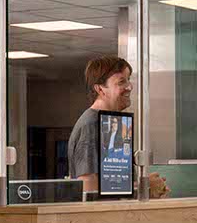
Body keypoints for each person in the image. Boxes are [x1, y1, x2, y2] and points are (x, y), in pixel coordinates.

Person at [66, 57, 168, 199]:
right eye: (121, 82)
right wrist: (145, 188)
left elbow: (113, 184)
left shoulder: (112, 121)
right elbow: (88, 189)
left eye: (128, 79)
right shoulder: (91, 125)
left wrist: (144, 187)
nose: (130, 86)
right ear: (100, 89)